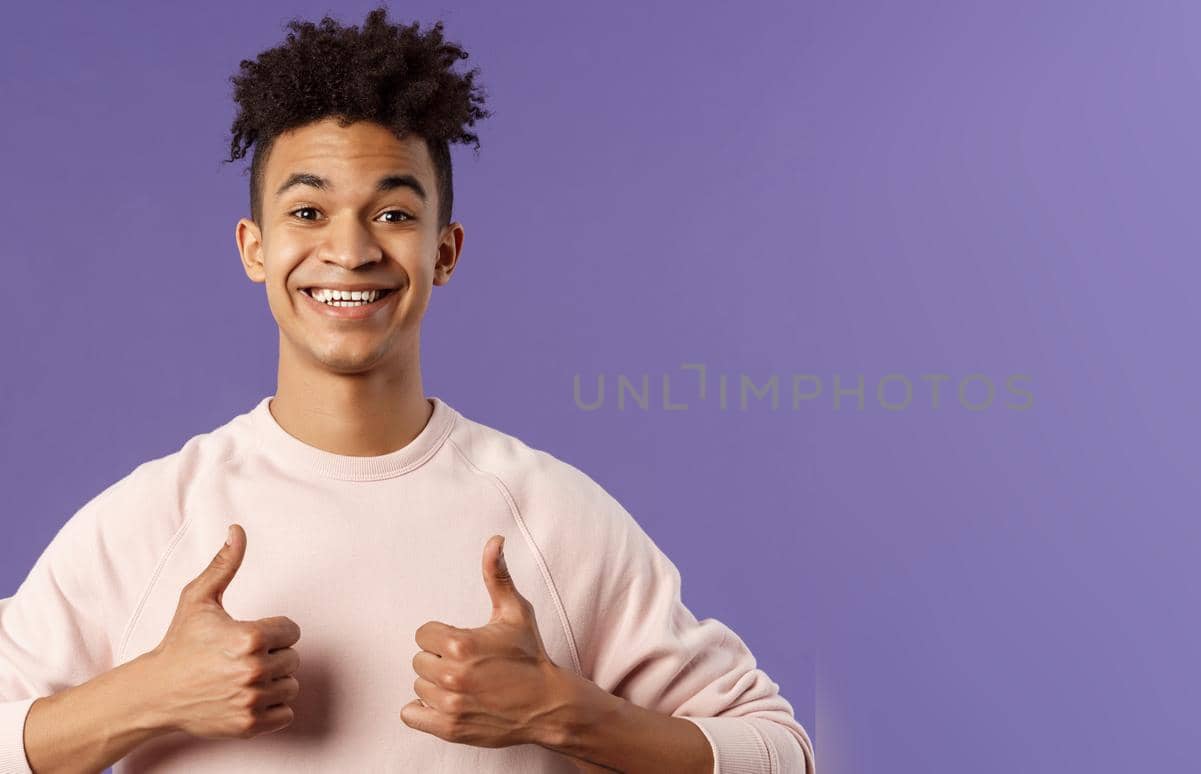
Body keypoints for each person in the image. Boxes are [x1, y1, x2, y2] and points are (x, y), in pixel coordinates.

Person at [0, 8, 814, 773]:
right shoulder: (151, 522)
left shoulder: (554, 518)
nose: (350, 251)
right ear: (254, 247)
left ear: (445, 251)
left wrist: (566, 715)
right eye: (309, 210)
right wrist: (141, 697)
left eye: (391, 213)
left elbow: (782, 752)